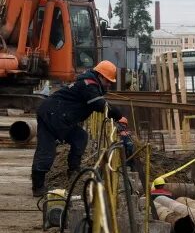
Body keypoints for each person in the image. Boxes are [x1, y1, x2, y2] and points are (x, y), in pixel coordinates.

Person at [31, 60, 125, 197]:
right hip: (51, 117)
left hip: (62, 118)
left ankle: (74, 171)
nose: (109, 85)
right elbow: (99, 104)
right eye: (108, 81)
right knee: (46, 152)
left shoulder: (90, 83)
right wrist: (118, 115)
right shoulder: (88, 84)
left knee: (80, 137)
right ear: (100, 76)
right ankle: (38, 187)